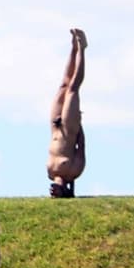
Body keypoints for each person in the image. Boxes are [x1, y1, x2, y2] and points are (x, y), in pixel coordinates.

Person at [47, 28, 87, 198]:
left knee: (63, 86)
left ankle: (73, 47)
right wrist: (78, 125)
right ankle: (82, 48)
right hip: (70, 128)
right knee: (72, 89)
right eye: (56, 194)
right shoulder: (73, 172)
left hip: (55, 127)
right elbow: (82, 147)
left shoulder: (50, 172)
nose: (52, 192)